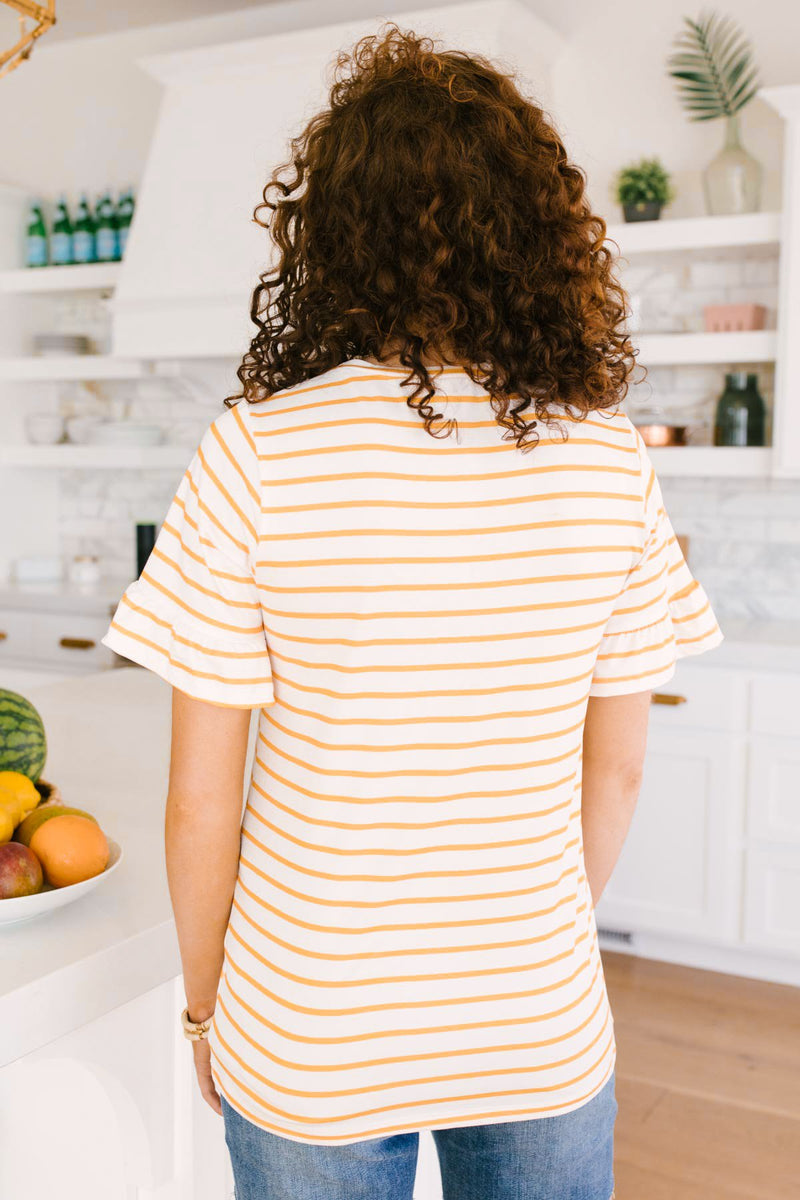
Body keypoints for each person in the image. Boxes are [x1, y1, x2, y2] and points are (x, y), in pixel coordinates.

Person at [102, 23, 723, 1200]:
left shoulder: (257, 451)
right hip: (535, 1021)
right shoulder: (606, 457)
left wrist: (202, 1011)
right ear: (540, 226)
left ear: (332, 236)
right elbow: (621, 771)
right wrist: (521, 949)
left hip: (309, 1026)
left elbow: (197, 802)